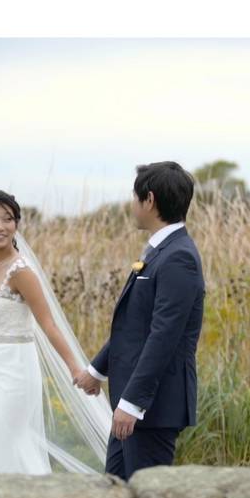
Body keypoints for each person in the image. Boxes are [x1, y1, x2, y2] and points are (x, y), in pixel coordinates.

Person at [74, 161, 206, 481]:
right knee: (116, 491)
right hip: (133, 404)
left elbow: (163, 337)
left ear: (148, 200)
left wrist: (132, 404)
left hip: (152, 408)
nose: (131, 205)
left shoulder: (179, 257)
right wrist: (96, 371)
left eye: (134, 197)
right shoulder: (159, 251)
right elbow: (135, 325)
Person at [0, 189, 111, 474]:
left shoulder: (21, 271)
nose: (1, 227)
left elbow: (49, 324)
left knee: (1, 438)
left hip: (16, 370)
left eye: (8, 219)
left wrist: (76, 369)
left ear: (16, 224)